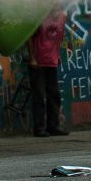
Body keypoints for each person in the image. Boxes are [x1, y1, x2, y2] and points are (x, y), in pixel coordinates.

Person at [28, 8, 68, 137]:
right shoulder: (41, 15)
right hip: (38, 61)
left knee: (54, 94)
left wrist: (57, 55)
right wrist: (32, 58)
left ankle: (53, 126)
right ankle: (39, 128)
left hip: (52, 60)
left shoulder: (62, 16)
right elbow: (29, 37)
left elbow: (59, 36)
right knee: (39, 95)